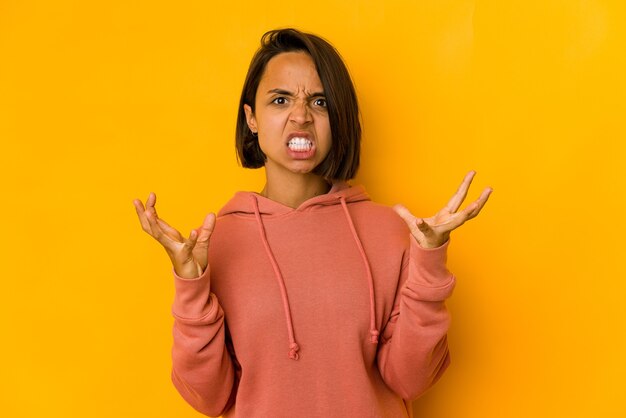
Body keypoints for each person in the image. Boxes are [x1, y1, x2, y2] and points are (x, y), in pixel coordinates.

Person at [133, 28, 491, 418]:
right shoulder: (217, 243)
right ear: (251, 118)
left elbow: (410, 380)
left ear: (337, 118)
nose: (300, 116)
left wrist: (429, 265)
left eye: (319, 102)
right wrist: (190, 286)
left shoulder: (389, 231)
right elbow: (208, 398)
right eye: (280, 99)